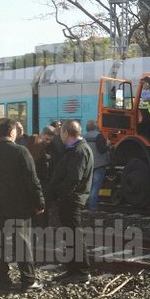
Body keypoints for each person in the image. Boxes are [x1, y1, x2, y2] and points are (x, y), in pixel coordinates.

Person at [0, 118, 45, 292]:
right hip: (19, 206)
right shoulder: (21, 152)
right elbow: (32, 180)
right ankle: (28, 280)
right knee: (22, 242)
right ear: (12, 132)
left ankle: (2, 281)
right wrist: (39, 202)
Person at [48, 120, 94, 284]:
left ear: (67, 133)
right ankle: (72, 270)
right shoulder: (76, 149)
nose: (60, 135)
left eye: (61, 133)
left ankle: (81, 271)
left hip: (71, 199)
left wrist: (61, 195)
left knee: (74, 235)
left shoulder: (79, 151)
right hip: (70, 198)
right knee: (70, 235)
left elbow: (74, 178)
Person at [84, 119, 110, 211]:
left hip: (88, 164)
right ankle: (93, 206)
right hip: (99, 164)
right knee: (96, 186)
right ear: (95, 126)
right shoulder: (98, 136)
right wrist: (108, 145)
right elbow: (102, 149)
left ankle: (87, 204)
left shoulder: (85, 137)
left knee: (89, 185)